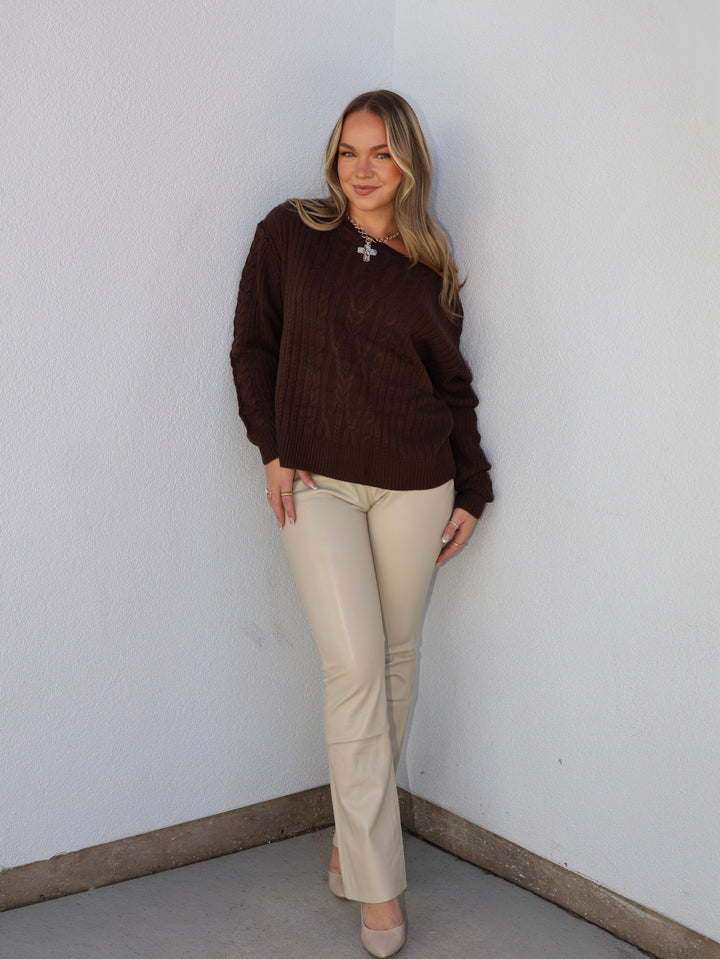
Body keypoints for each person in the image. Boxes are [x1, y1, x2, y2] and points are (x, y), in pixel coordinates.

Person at [230, 89, 492, 958]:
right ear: (333, 160)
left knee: (395, 659)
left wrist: (471, 487)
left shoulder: (430, 265)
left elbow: (452, 386)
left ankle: (353, 839)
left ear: (408, 162)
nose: (363, 169)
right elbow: (253, 344)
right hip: (318, 482)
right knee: (353, 665)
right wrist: (270, 446)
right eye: (349, 153)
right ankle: (378, 888)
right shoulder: (290, 234)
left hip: (417, 483)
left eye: (380, 153)